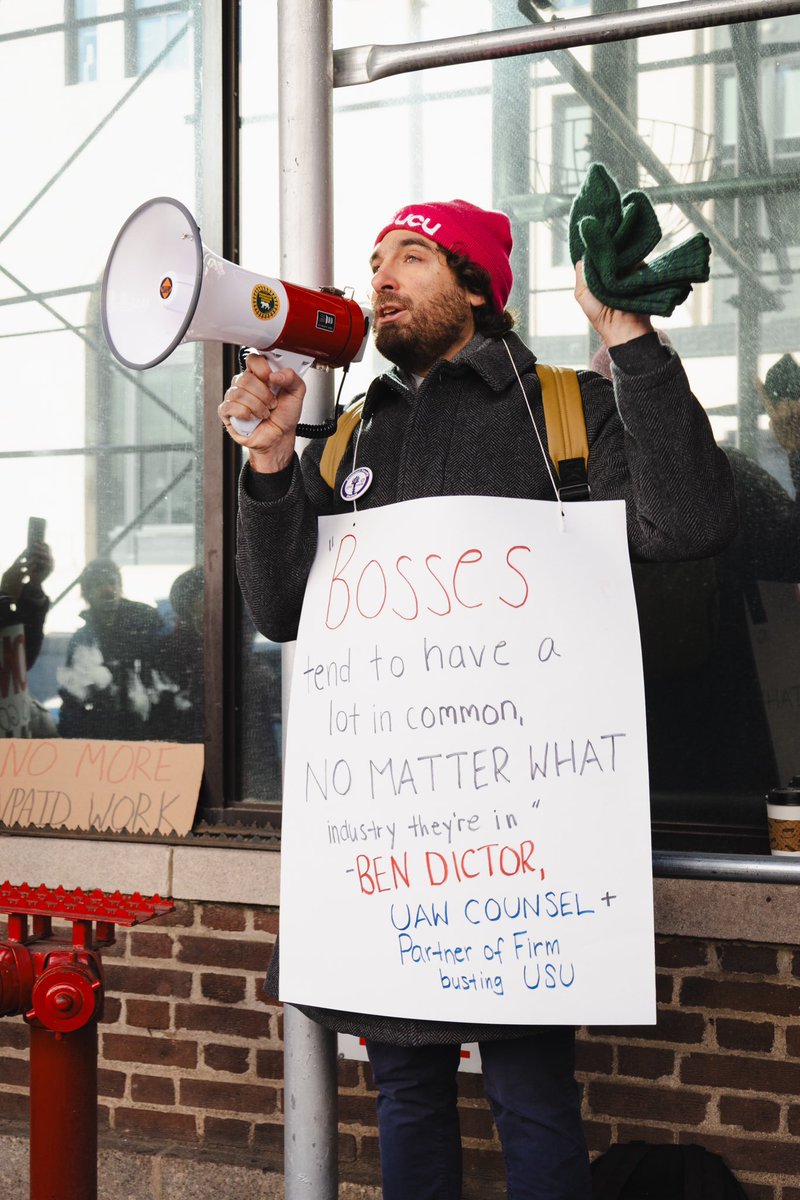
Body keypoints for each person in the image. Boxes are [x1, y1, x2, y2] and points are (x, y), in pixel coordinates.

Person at [218, 199, 738, 1200]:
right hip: (394, 849)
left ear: (475, 283)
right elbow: (281, 608)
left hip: (518, 846)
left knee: (530, 1097)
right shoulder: (351, 432)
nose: (381, 277)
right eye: (375, 261)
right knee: (406, 1098)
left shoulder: (562, 412)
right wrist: (274, 463)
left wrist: (628, 343)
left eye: (410, 256)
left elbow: (691, 522)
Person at [57, 557, 164, 740]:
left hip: (147, 721)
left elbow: (162, 672)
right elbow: (73, 695)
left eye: (112, 582)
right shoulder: (83, 639)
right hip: (103, 725)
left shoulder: (145, 621)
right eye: (98, 584)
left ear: (120, 586)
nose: (108, 589)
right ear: (87, 593)